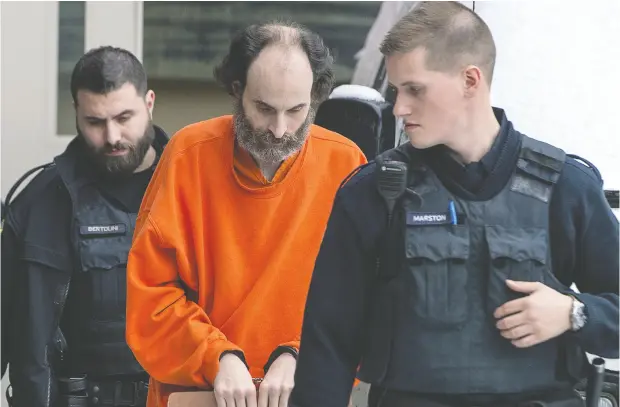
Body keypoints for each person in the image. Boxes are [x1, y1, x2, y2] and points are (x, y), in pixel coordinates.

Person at [290, 2, 619, 407]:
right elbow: (329, 342)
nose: (399, 108)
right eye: (396, 90)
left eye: (415, 89)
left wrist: (574, 312)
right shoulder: (375, 192)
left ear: (470, 80)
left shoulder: (566, 188)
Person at [124, 21, 367, 407]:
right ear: (237, 91)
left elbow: (362, 299)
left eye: (297, 110)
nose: (280, 129)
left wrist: (299, 355)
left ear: (315, 98)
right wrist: (218, 357)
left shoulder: (346, 162)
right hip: (200, 392)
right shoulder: (189, 154)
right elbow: (150, 298)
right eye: (265, 108)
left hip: (305, 391)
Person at [1, 46, 169, 407]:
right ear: (76, 113)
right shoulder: (38, 203)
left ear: (149, 103)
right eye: (95, 122)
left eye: (125, 117)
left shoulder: (197, 187)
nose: (111, 137)